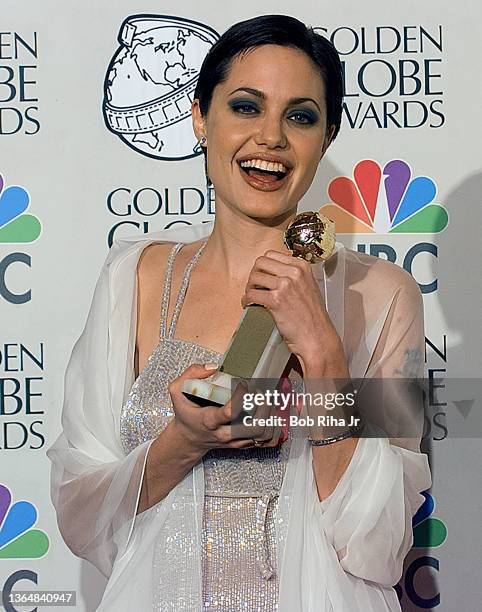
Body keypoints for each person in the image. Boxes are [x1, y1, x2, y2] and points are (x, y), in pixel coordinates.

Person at [47, 14, 431, 612]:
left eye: (300, 116)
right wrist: (185, 438)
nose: (271, 138)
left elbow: (380, 541)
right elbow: (82, 511)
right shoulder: (136, 278)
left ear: (326, 138)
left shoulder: (383, 296)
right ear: (201, 117)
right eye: (246, 107)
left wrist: (324, 352)